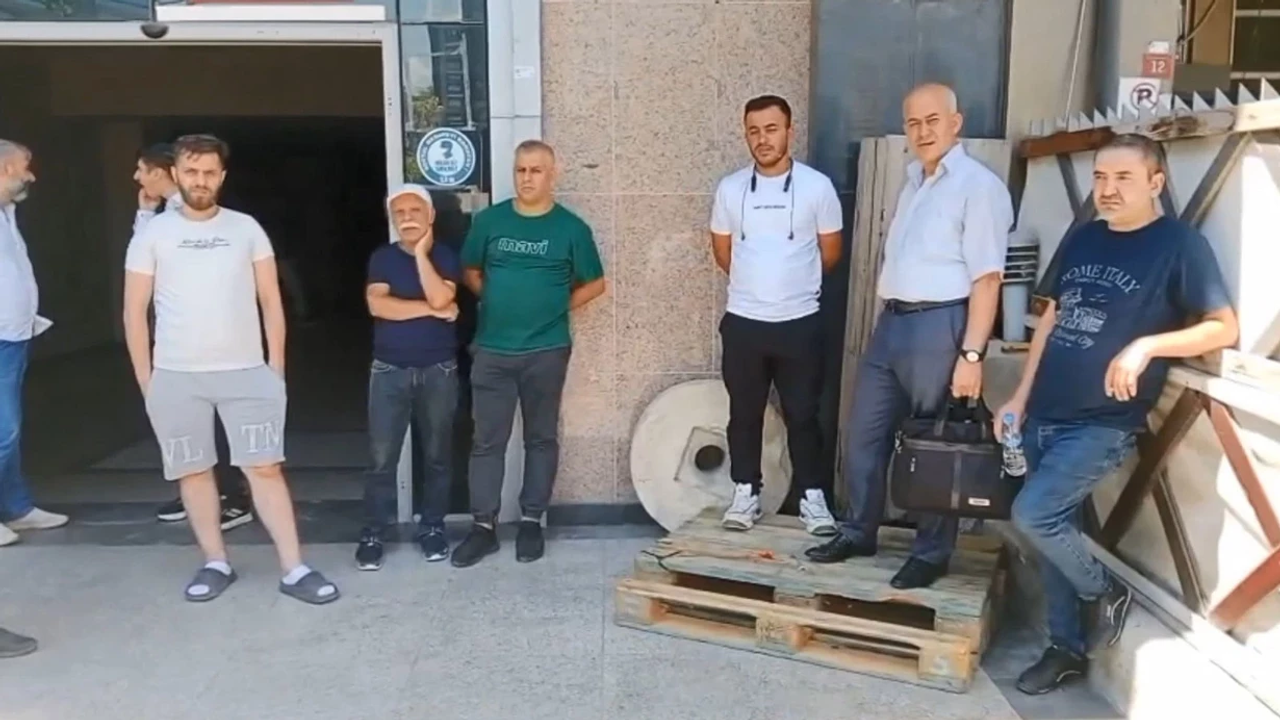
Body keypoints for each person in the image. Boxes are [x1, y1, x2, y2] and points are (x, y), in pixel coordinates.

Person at [998, 133, 1238, 694]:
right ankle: (1065, 648)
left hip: (1102, 421)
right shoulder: (1084, 237)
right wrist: (1019, 396)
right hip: (1044, 412)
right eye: (1100, 178)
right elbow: (1052, 319)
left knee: (1035, 515)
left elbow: (1223, 327)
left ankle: (1104, 590)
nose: (1107, 189)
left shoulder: (1179, 246)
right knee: (1054, 532)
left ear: (1156, 182)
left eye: (1123, 178)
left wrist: (1146, 346)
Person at [805, 83, 1013, 591]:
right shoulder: (913, 181)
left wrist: (972, 354)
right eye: (913, 123)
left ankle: (931, 553)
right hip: (893, 322)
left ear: (955, 123)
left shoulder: (978, 187)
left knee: (935, 441)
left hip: (941, 325)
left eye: (932, 121)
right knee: (864, 434)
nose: (922, 131)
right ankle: (859, 531)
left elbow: (988, 278)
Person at [122, 134, 339, 605]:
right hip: (176, 375)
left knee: (265, 468)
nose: (200, 180)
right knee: (194, 471)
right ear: (176, 174)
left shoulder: (246, 228)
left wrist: (275, 369)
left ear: (221, 176)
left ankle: (294, 568)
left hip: (247, 371)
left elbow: (271, 302)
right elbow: (134, 312)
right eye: (191, 171)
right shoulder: (152, 235)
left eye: (209, 172)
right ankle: (215, 561)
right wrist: (147, 380)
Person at [453, 139, 606, 568]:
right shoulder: (490, 221)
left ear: (552, 174)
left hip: (547, 350)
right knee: (487, 441)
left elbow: (596, 283)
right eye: (521, 170)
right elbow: (471, 271)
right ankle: (483, 527)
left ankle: (532, 521)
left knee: (540, 437)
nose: (527, 178)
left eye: (536, 170)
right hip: (492, 350)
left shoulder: (571, 229)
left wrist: (554, 307)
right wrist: (495, 301)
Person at [710, 94, 843, 535]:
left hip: (800, 322)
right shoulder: (730, 189)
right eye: (754, 131)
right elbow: (723, 252)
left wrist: (791, 286)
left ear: (789, 131)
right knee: (743, 414)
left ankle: (812, 498)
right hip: (744, 322)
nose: (762, 139)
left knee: (803, 415)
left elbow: (830, 252)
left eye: (771, 129)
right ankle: (745, 493)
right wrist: (757, 287)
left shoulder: (817, 187)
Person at [133, 143, 255, 531]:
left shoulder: (206, 218)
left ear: (162, 172)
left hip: (216, 343)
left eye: (141, 170)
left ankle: (232, 495)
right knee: (188, 423)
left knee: (217, 423)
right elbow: (139, 264)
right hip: (178, 343)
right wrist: (144, 213)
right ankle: (198, 491)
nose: (137, 177)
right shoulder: (160, 219)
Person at [354, 184, 461, 570]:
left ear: (430, 216)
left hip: (439, 370)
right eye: (399, 213)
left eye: (415, 210)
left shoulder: (444, 256)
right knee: (382, 459)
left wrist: (420, 255)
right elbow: (378, 305)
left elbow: (441, 296)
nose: (407, 218)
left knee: (437, 456)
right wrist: (433, 311)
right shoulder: (382, 258)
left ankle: (432, 528)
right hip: (389, 370)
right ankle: (372, 533)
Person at [0, 139, 69, 549]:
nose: (31, 176)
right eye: (25, 167)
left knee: (9, 428)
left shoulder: (7, 212)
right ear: (5, 169)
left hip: (14, 335)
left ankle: (16, 507)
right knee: (3, 429)